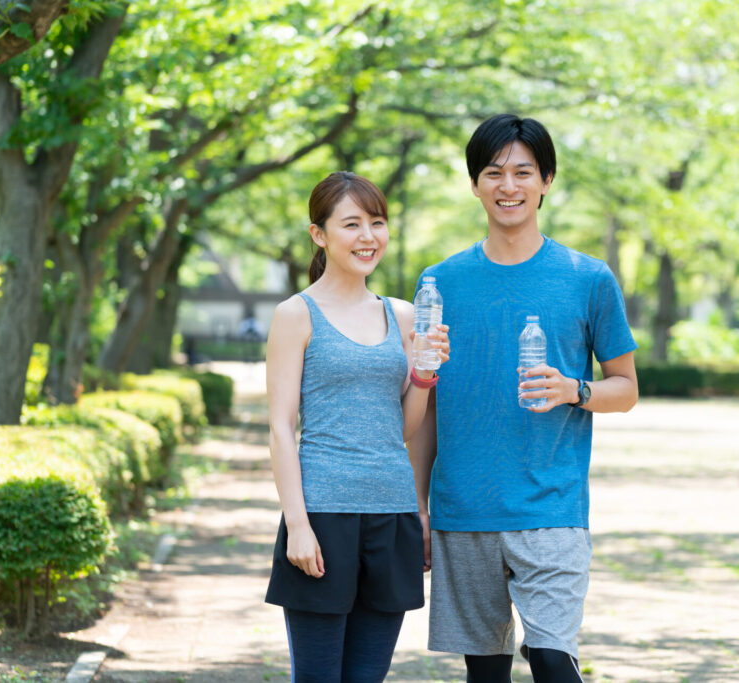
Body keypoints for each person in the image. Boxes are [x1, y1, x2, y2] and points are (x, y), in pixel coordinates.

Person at [409, 114, 639, 682]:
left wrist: (574, 390)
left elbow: (626, 389)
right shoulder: (439, 283)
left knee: (554, 662)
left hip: (552, 510)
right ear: (474, 184)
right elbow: (430, 406)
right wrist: (418, 505)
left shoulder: (588, 278)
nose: (507, 186)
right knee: (485, 673)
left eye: (523, 172)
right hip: (464, 510)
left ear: (546, 181)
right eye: (493, 173)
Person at [264, 171, 449, 682]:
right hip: (323, 515)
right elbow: (280, 428)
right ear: (319, 234)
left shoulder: (404, 315)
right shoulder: (295, 315)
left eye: (377, 222)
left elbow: (402, 429)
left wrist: (423, 376)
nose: (368, 236)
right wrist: (298, 525)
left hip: (392, 513)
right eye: (352, 224)